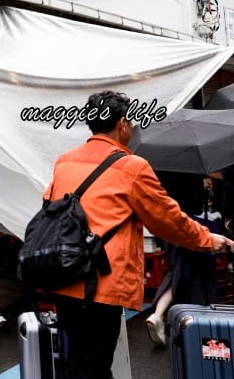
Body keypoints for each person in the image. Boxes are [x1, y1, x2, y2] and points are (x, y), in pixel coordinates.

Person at [42, 90, 233, 378]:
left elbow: (49, 204)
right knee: (93, 365)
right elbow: (167, 219)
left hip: (64, 275)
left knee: (79, 360)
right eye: (130, 121)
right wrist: (208, 240)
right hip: (101, 284)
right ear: (122, 123)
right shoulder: (131, 167)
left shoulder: (65, 161)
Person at [144, 172, 224, 346]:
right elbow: (194, 203)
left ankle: (165, 316)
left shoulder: (163, 171)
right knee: (191, 274)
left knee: (179, 272)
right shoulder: (190, 175)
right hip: (188, 227)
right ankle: (170, 318)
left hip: (171, 227)